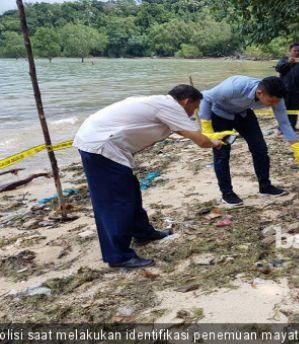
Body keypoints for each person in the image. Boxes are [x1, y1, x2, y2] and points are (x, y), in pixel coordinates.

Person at [73, 85, 221, 269]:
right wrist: (214, 142)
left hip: (103, 142)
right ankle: (118, 256)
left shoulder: (159, 103)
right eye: (194, 107)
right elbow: (199, 140)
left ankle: (142, 233)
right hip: (101, 146)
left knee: (130, 190)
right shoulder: (171, 107)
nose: (193, 113)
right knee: (116, 201)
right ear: (186, 101)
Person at [198, 76, 299, 206]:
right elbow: (205, 97)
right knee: (222, 154)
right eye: (270, 102)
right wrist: (207, 130)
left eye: (275, 102)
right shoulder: (235, 87)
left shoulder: (276, 98)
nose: (273, 105)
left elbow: (284, 123)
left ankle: (265, 186)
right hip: (220, 116)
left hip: (243, 114)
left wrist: (298, 151)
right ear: (259, 93)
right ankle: (227, 193)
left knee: (260, 148)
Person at [275, 43, 299, 131]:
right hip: (284, 90)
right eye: (294, 50)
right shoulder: (284, 60)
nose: (296, 52)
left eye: (298, 51)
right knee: (283, 109)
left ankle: (292, 127)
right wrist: (288, 62)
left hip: (297, 90)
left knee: (294, 109)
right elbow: (278, 68)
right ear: (290, 51)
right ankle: (282, 128)